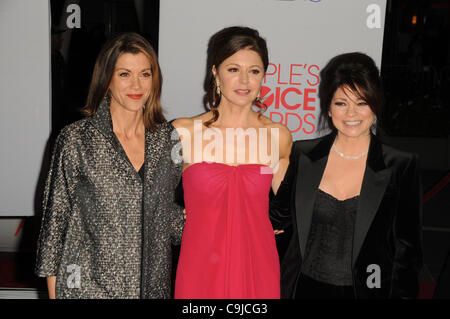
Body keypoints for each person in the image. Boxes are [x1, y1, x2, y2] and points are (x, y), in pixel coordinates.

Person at [35, 32, 184, 299]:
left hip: (151, 288)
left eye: (145, 74)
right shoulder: (77, 139)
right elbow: (54, 225)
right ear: (107, 79)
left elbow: (167, 213)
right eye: (125, 74)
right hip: (87, 287)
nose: (136, 84)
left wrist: (223, 220)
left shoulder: (168, 139)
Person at [270, 52, 423, 299]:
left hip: (367, 292)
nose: (351, 113)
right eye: (341, 103)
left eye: (362, 103)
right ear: (329, 108)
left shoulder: (400, 165)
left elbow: (407, 251)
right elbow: (278, 219)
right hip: (303, 290)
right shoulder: (304, 154)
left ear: (375, 106)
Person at [172, 26, 292, 298]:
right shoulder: (183, 132)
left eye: (254, 71)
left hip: (257, 268)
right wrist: (175, 215)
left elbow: (289, 209)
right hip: (199, 268)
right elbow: (153, 201)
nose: (244, 81)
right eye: (233, 69)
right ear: (215, 72)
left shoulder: (278, 136)